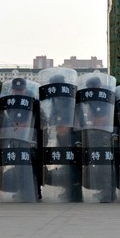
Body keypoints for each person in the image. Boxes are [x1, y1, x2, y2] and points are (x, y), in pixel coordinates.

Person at [38, 68, 82, 202]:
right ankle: (68, 190)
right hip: (62, 131)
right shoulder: (59, 97)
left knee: (71, 161)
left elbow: (64, 114)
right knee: (66, 161)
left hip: (69, 132)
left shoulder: (64, 98)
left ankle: (74, 192)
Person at [0, 77, 42, 202]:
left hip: (30, 138)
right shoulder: (10, 101)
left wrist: (26, 124)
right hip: (15, 136)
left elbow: (38, 118)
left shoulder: (33, 101)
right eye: (16, 90)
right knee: (18, 164)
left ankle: (35, 190)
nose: (18, 92)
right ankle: (21, 190)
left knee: (31, 163)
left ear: (25, 89)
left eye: (20, 90)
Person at [75, 73, 118, 203]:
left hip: (104, 134)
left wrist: (95, 121)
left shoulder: (104, 96)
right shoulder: (92, 98)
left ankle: (108, 193)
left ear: (99, 86)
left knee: (105, 165)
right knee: (99, 163)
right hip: (95, 133)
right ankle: (104, 190)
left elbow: (102, 117)